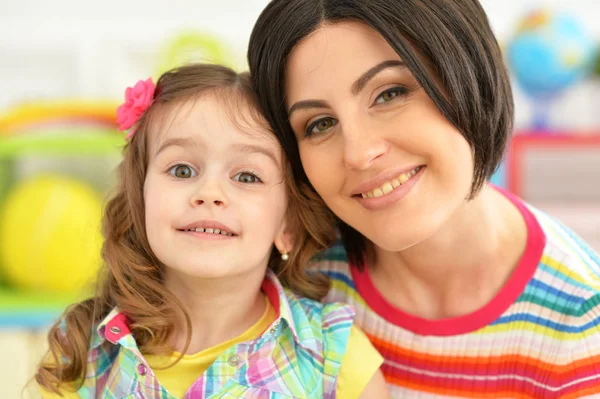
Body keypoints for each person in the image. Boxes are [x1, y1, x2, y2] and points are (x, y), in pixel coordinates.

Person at [247, 1, 600, 397]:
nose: (359, 153)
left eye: (389, 93)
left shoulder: (581, 319)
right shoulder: (296, 283)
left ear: (469, 72)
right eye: (320, 124)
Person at [34, 64, 388, 399]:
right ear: (141, 200)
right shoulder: (82, 353)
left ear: (289, 226)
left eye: (247, 177)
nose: (210, 194)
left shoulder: (337, 359)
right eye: (183, 170)